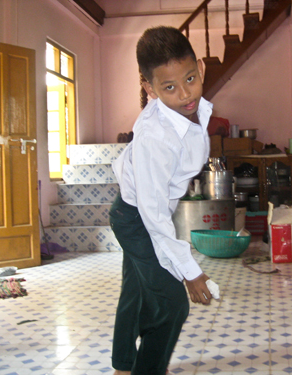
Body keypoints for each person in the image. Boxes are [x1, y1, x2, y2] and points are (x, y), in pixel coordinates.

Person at [109, 26, 215, 375]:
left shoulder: (194, 111)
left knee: (135, 290)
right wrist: (190, 271)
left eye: (189, 78)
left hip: (140, 209)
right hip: (136, 218)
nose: (185, 93)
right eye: (169, 87)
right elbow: (154, 217)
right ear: (149, 89)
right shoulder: (156, 135)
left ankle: (123, 366)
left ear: (200, 67)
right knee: (170, 305)